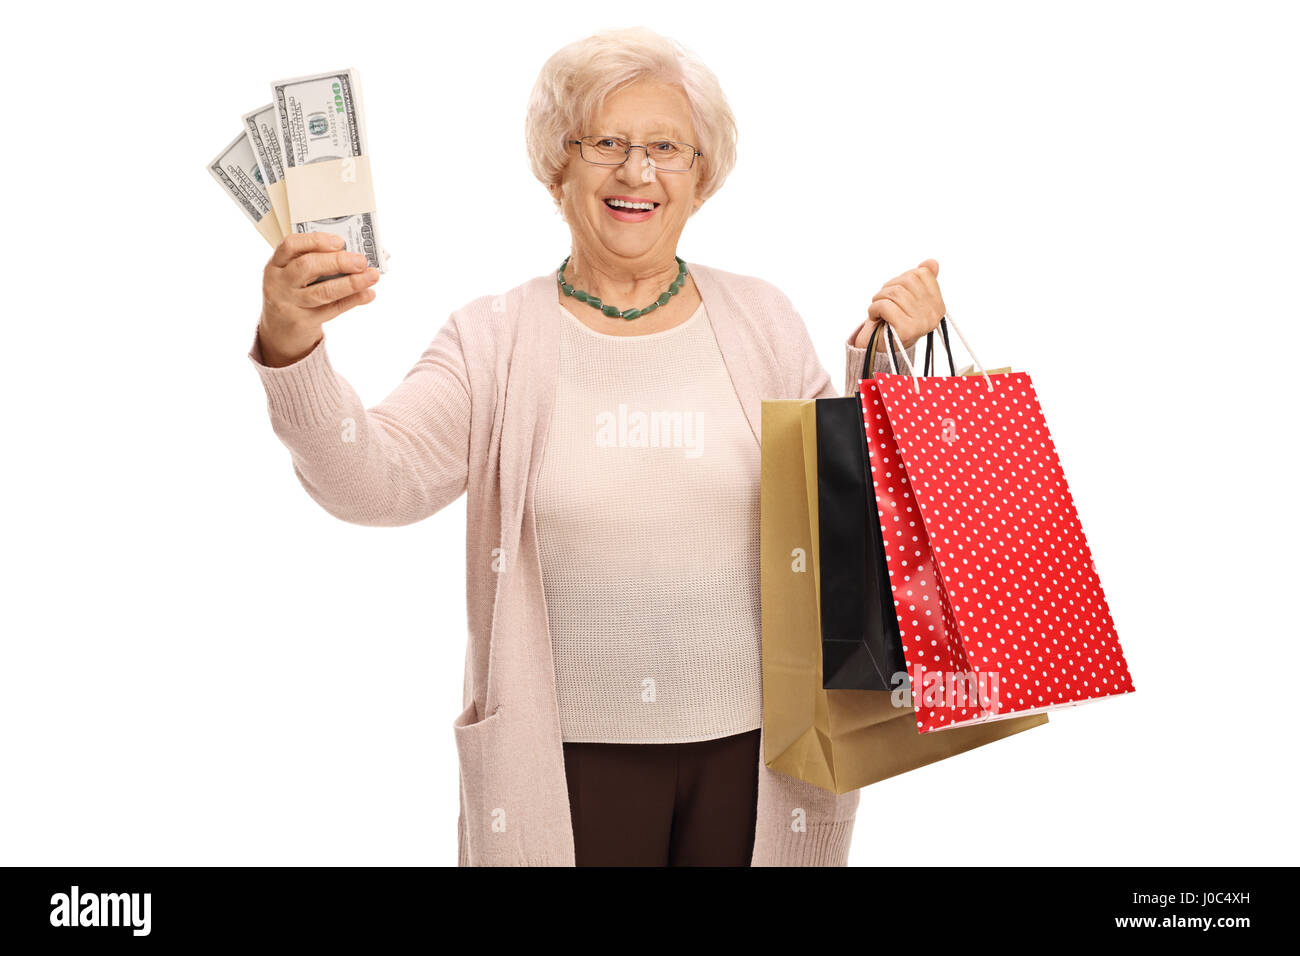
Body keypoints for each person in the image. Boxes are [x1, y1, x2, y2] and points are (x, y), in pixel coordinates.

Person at [248, 26, 946, 866]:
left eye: (667, 148)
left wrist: (892, 369)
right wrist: (292, 345)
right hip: (565, 766)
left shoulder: (762, 318)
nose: (637, 172)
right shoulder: (493, 339)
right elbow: (374, 483)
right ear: (557, 167)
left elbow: (855, 523)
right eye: (606, 143)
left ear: (703, 177)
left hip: (765, 756)